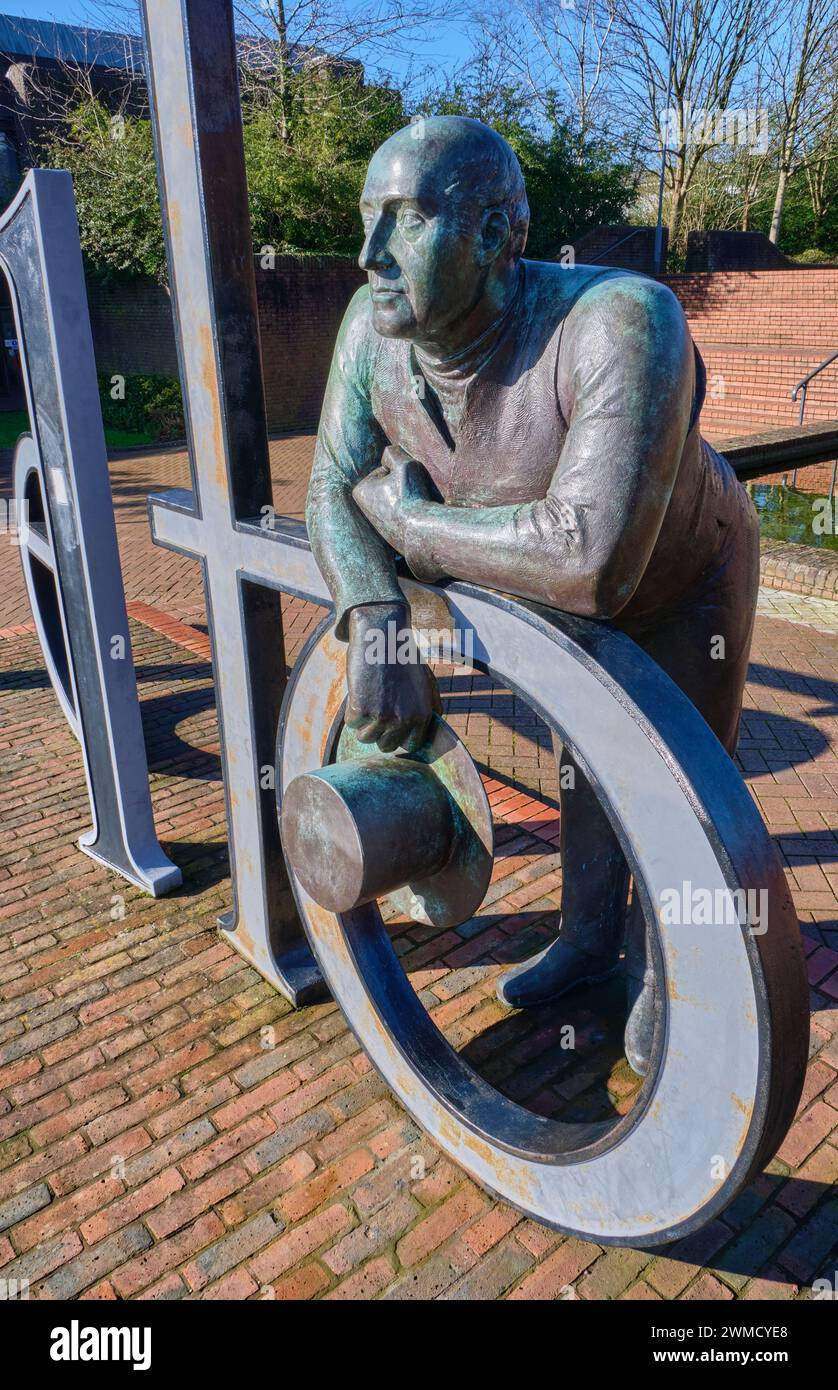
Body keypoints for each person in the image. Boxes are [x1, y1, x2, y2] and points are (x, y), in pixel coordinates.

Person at [307, 115, 760, 1075]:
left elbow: (592, 557)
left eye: (407, 220)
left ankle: (663, 971)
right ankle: (591, 940)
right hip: (549, 576)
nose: (368, 255)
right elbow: (330, 488)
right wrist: (378, 624)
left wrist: (414, 527)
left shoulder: (623, 320)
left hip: (683, 583)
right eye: (365, 218)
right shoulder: (369, 332)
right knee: (582, 764)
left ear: (496, 234)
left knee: (678, 784)